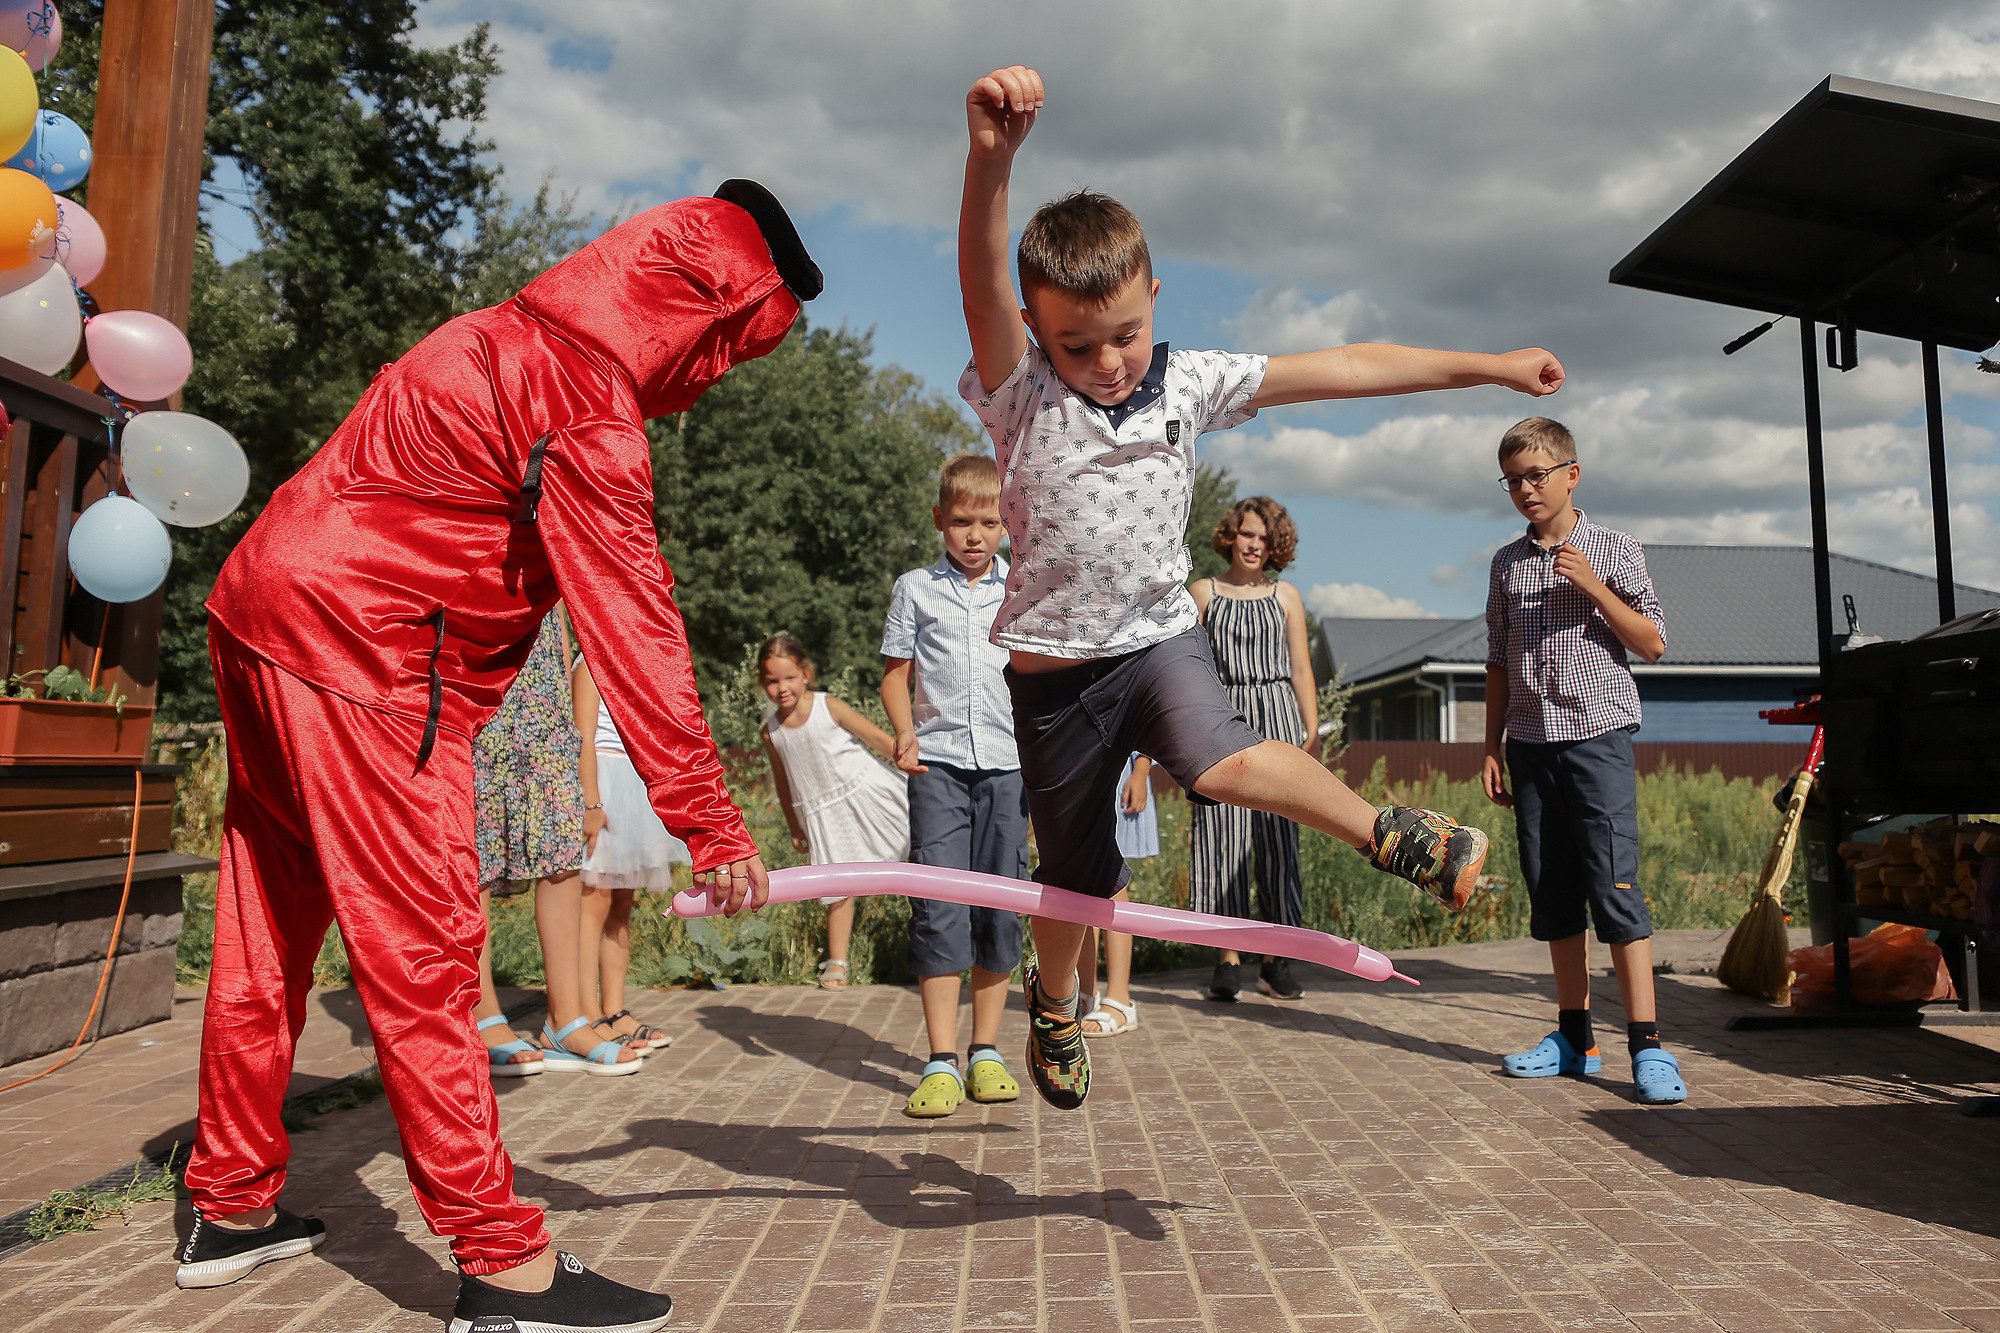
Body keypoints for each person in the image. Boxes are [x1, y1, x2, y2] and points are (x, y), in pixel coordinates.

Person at [177, 184, 814, 1331]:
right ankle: (503, 1267)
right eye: (724, 357)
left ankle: (229, 1202)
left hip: (260, 611)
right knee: (426, 952)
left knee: (268, 922)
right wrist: (709, 819)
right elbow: (633, 617)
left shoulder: (484, 334)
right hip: (366, 653)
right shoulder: (584, 402)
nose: (710, 382)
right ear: (701, 319)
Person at [956, 65, 1563, 1112]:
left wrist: (1488, 364)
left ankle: (1389, 834)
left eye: (1122, 334)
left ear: (1154, 296)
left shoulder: (1189, 379)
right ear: (1032, 327)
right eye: (1074, 343)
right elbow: (975, 269)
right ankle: (1052, 1006)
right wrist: (992, 162)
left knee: (1224, 759)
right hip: (1055, 677)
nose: (1103, 361)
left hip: (1156, 640)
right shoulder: (1020, 390)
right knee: (1074, 878)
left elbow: (1346, 365)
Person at [1479, 417, 1684, 1105]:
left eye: (1537, 474)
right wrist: (1491, 743)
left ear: (1572, 473)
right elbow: (1499, 660)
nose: (1526, 489)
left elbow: (1653, 643)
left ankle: (1648, 1045)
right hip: (1531, 744)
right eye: (1513, 479)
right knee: (1553, 890)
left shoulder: (1615, 549)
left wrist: (1594, 587)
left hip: (1598, 736)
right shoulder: (1507, 563)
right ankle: (1575, 1038)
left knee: (1614, 887)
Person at [879, 452, 1029, 1118]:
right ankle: (940, 1060)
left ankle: (986, 1050)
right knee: (938, 906)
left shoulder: (1022, 587)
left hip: (1008, 765)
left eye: (988, 522)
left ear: (1007, 526)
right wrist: (904, 731)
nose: (974, 534)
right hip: (936, 766)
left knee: (1000, 903)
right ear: (939, 519)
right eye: (961, 521)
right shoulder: (915, 588)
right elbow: (894, 675)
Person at [467, 603, 644, 1079]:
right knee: (474, 846)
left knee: (563, 846)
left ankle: (565, 1021)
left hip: (543, 695)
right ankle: (480, 1016)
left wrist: (562, 708)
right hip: (475, 681)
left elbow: (559, 614)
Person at [1190, 498, 1318, 1004]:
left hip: (1279, 717)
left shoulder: (1287, 596)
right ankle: (1227, 960)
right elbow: (1188, 665)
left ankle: (1276, 959)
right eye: (1246, 534)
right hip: (1222, 718)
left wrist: (1311, 731)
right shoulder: (1203, 592)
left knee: (1280, 842)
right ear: (1231, 535)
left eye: (1263, 538)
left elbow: (1302, 668)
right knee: (1222, 840)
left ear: (1274, 545)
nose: (1252, 544)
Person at [758, 635, 911, 989]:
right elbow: (783, 783)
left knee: (917, 849)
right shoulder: (772, 733)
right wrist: (794, 825)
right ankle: (838, 962)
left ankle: (937, 933)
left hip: (868, 790)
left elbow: (875, 739)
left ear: (806, 673)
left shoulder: (829, 706)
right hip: (823, 813)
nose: (782, 688)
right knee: (838, 886)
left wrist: (907, 759)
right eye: (772, 681)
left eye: (789, 677)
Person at [570, 654, 687, 1060]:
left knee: (622, 901)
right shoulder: (589, 662)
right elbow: (582, 733)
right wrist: (591, 802)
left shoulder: (637, 656)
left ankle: (614, 1009)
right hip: (602, 782)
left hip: (634, 784)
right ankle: (582, 1013)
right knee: (594, 899)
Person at [1079, 753, 1152, 1037]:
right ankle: (1086, 993)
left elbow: (1146, 710)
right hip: (1079, 770)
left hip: (1116, 775)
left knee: (1113, 881)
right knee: (1080, 886)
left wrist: (1141, 771)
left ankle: (1120, 998)